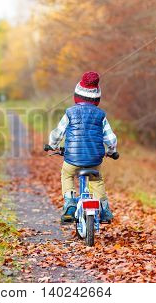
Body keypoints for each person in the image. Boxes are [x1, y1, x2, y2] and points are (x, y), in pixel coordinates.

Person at [48, 71, 117, 224]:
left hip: (72, 158)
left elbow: (58, 133)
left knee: (66, 174)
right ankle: (104, 210)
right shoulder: (101, 115)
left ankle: (70, 205)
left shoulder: (70, 113)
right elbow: (110, 139)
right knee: (96, 180)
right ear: (97, 99)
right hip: (94, 159)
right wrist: (112, 151)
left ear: (77, 96)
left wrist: (53, 145)